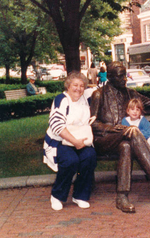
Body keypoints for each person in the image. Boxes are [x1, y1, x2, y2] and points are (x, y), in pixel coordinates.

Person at [90, 61, 150, 213]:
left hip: (124, 140)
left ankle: (122, 197)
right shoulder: (99, 94)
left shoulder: (129, 93)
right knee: (133, 131)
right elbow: (92, 123)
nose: (124, 79)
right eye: (120, 76)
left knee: (126, 146)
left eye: (124, 75)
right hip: (105, 139)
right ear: (110, 77)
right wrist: (112, 128)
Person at [43, 71, 97, 211]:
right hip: (61, 141)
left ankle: (80, 195)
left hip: (82, 139)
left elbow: (102, 89)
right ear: (68, 85)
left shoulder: (85, 97)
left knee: (89, 157)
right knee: (70, 161)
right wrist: (75, 142)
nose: (78, 89)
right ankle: (57, 195)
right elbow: (57, 125)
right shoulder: (61, 99)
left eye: (81, 85)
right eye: (75, 85)